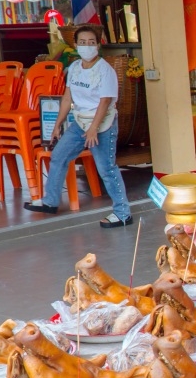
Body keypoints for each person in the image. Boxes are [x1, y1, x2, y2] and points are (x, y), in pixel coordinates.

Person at [25, 25, 132, 227]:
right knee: (59, 156)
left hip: (102, 124)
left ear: (98, 46)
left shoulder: (105, 70)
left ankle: (123, 213)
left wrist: (93, 129)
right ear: (75, 45)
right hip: (79, 121)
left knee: (107, 168)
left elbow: (105, 101)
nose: (87, 46)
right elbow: (67, 98)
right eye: (82, 43)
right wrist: (57, 125)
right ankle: (50, 201)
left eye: (91, 42)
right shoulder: (74, 68)